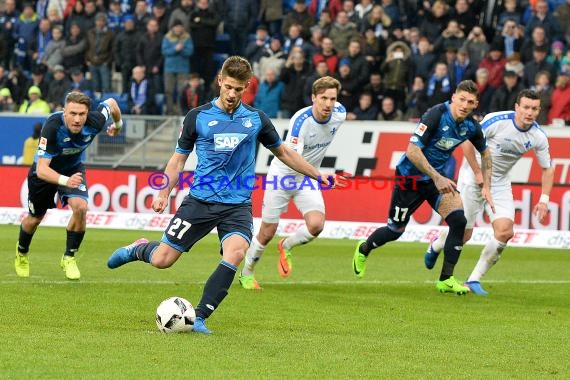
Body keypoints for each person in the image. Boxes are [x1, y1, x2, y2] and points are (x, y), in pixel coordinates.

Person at [106, 56, 337, 334]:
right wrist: (163, 191)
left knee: (237, 251)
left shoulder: (256, 119)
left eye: (238, 89)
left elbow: (285, 152)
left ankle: (200, 316)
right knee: (162, 261)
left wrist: (316, 174)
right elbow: (178, 160)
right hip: (200, 201)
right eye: (228, 87)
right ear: (219, 81)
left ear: (246, 87)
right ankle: (140, 248)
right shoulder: (198, 117)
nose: (231, 94)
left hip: (237, 205)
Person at [352, 80, 494, 295]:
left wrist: (487, 185)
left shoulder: (471, 127)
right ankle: (364, 249)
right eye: (462, 99)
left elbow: (485, 153)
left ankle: (446, 279)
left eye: (470, 102)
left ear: (476, 104)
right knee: (394, 231)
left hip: (436, 181)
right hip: (409, 179)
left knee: (459, 221)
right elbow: (412, 151)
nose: (465, 105)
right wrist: (437, 177)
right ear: (454, 97)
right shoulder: (435, 114)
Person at [425, 89, 553, 295]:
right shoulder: (496, 121)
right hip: (472, 177)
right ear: (517, 108)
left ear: (539, 111)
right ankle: (436, 245)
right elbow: (466, 141)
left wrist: (544, 199)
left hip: (500, 183)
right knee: (464, 234)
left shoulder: (538, 136)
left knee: (505, 231)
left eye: (534, 109)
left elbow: (548, 168)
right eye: (526, 107)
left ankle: (474, 279)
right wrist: (477, 174)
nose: (529, 112)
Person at [240, 76, 345, 290]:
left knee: (316, 225)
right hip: (284, 175)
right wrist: (319, 176)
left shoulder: (340, 114)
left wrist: (315, 176)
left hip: (307, 178)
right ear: (313, 98)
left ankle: (286, 245)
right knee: (267, 231)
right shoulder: (301, 121)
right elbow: (294, 160)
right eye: (323, 98)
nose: (328, 104)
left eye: (332, 98)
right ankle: (247, 273)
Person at [15, 91, 124, 280]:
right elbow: (42, 170)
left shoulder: (96, 121)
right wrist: (65, 180)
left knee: (81, 208)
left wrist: (118, 125)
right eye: (72, 113)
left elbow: (112, 103)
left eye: (82, 114)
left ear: (88, 113)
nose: (77, 119)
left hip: (73, 167)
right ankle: (22, 252)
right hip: (46, 173)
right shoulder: (52, 126)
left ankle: (69, 257)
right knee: (35, 219)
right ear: (64, 111)